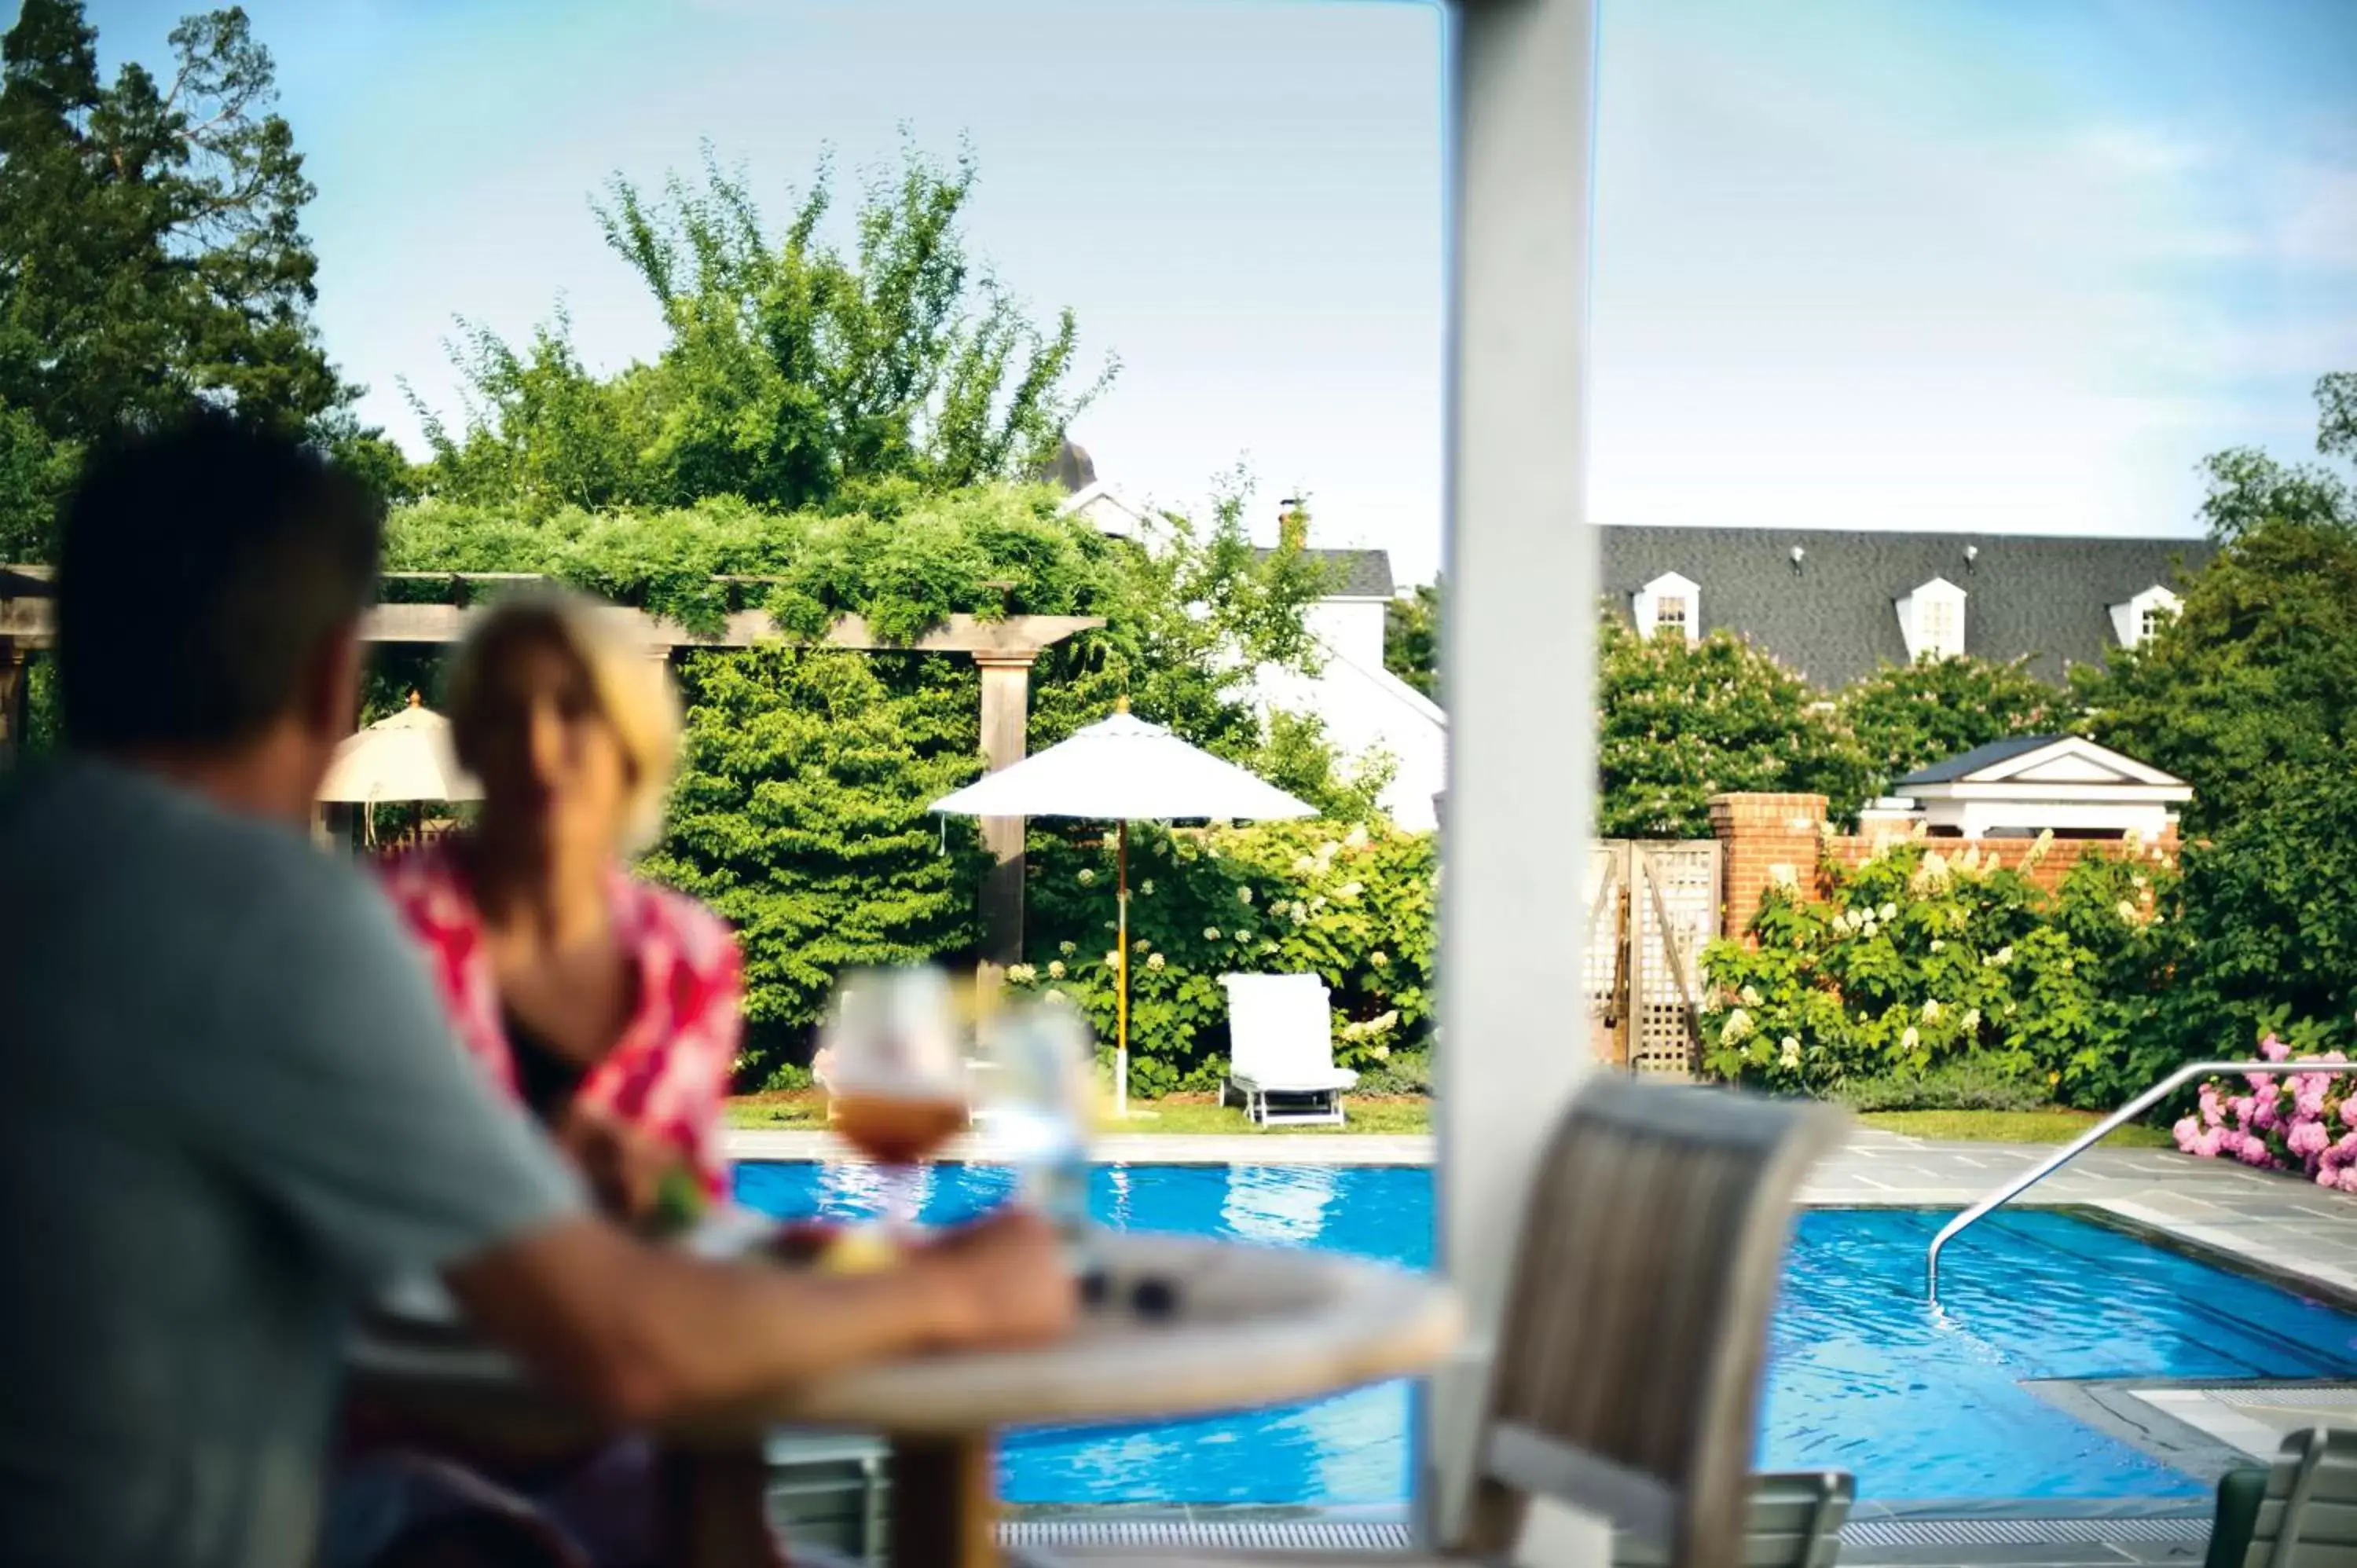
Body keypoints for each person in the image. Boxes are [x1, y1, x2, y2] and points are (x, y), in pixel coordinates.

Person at [0, 412, 1074, 1568]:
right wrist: (954, 1293)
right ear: (329, 680)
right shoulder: (285, 923)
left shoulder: (47, 862)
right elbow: (624, 1344)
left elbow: (663, 1241)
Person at [332, 592, 753, 1568]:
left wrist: (660, 1181)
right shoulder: (374, 928)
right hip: (398, 1423)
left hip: (617, 1415)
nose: (538, 742)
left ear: (630, 745)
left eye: (574, 709)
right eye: (506, 712)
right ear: (470, 744)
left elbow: (699, 1214)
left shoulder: (690, 956)